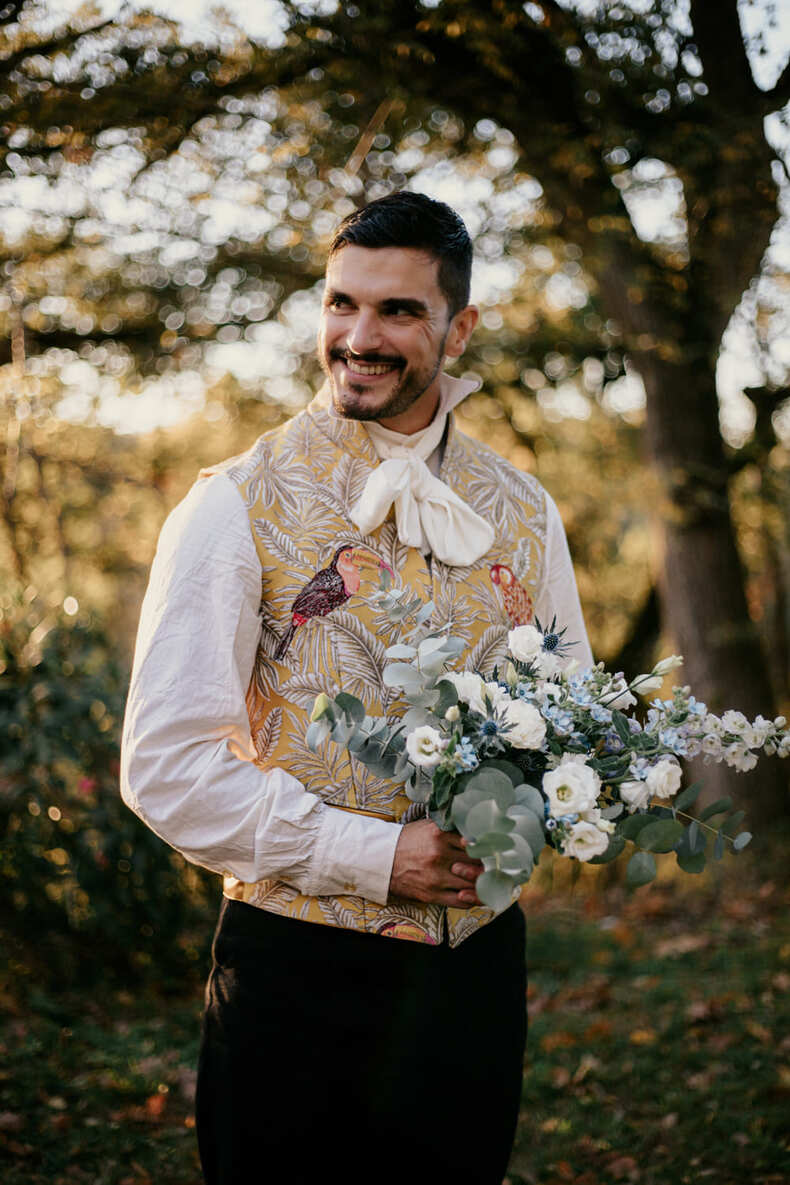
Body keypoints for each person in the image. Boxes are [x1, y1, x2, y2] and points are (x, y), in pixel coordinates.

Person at [121, 191, 592, 1185]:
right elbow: (165, 767)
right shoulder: (232, 502)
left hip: (472, 973)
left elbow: (567, 712)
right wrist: (375, 856)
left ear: (459, 328)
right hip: (295, 971)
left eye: (398, 312)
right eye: (342, 304)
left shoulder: (526, 508)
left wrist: (536, 807)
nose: (358, 337)